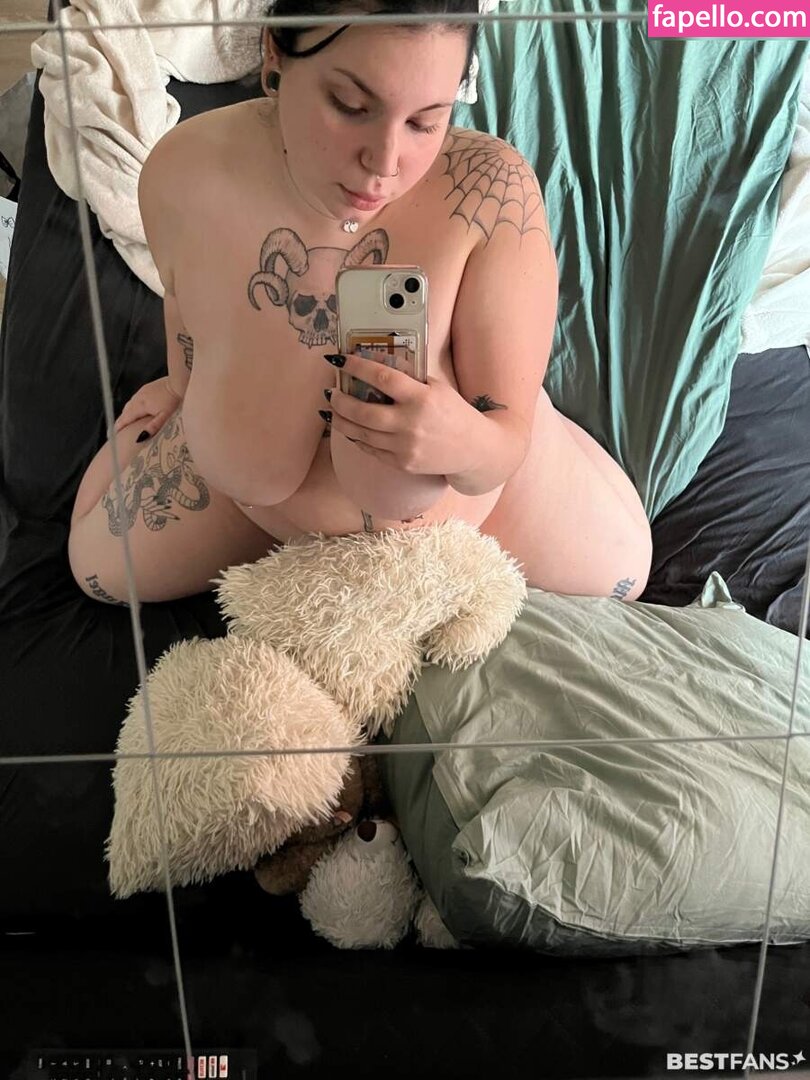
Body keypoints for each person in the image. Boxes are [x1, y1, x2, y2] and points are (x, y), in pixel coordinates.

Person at [68, 0, 652, 606]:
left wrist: (467, 442)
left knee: (626, 576)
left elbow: (504, 443)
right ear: (274, 51)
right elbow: (188, 312)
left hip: (462, 509)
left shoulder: (490, 193)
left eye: (426, 121)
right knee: (94, 575)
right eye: (350, 106)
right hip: (255, 509)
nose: (384, 164)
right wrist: (180, 386)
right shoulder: (186, 172)